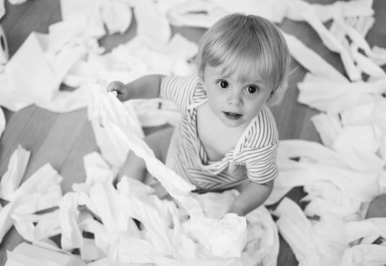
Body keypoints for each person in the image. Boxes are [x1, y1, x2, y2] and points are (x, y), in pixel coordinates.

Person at [108, 13, 290, 217]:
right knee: (139, 152)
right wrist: (129, 90)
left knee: (171, 209)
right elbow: (159, 85)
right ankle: (117, 198)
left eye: (251, 89)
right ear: (202, 77)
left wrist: (237, 209)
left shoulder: (260, 138)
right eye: (224, 84)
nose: (235, 100)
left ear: (272, 91)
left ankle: (148, 210)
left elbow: (262, 184)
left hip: (218, 185)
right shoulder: (194, 92)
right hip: (178, 149)